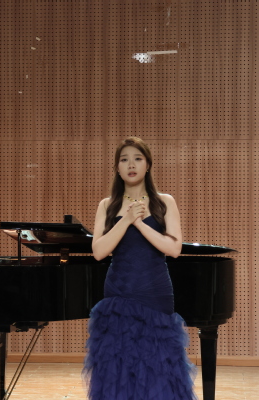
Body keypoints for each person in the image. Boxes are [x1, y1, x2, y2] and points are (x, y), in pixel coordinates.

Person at [83, 138, 197, 399]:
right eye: (124, 160)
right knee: (118, 371)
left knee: (158, 368)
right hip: (118, 295)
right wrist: (126, 219)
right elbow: (99, 251)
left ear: (148, 165)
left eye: (137, 158)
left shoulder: (164, 202)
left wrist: (141, 224)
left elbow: (174, 248)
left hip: (154, 293)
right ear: (117, 167)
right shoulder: (107, 205)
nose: (131, 165)